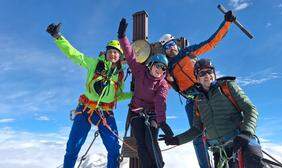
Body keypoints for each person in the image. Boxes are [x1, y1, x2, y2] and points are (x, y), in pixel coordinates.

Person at [46, 23, 131, 168]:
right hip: (85, 109)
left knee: (114, 148)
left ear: (120, 55)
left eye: (116, 52)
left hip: (105, 113)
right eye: (110, 51)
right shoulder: (94, 64)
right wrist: (58, 37)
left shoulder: (120, 74)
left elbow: (118, 95)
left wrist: (134, 94)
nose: (113, 54)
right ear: (106, 53)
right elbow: (73, 54)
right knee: (73, 146)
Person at [158, 11, 236, 168]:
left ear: (176, 44)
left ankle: (234, 159)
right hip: (192, 101)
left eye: (172, 44)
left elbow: (210, 42)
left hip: (208, 92)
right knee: (198, 136)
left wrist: (226, 23)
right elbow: (167, 85)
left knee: (224, 127)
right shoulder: (169, 68)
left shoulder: (189, 52)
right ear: (164, 50)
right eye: (167, 47)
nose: (171, 48)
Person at [161, 59, 265, 168]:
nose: (207, 75)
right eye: (202, 73)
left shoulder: (227, 86)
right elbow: (197, 129)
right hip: (218, 151)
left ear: (214, 74)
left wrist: (246, 132)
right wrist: (177, 140)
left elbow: (250, 109)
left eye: (209, 71)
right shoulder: (197, 101)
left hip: (240, 141)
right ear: (197, 78)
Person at [118, 18, 172, 168]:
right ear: (151, 65)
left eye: (163, 68)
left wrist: (162, 121)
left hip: (153, 115)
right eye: (157, 66)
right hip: (136, 113)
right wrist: (122, 37)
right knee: (141, 144)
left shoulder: (163, 84)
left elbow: (161, 101)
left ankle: (158, 166)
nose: (159, 70)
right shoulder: (140, 71)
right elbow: (130, 55)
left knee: (151, 141)